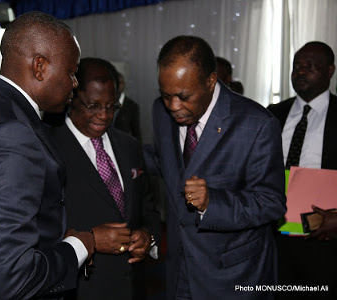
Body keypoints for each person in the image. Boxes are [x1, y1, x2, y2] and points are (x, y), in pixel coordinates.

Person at [0, 11, 95, 299]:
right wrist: (77, 246)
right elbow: (9, 279)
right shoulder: (12, 135)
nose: (75, 83)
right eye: (71, 72)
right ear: (39, 66)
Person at [145, 35, 286, 299]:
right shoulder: (160, 111)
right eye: (166, 96)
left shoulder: (256, 124)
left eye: (183, 96)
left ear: (210, 81)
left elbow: (271, 203)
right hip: (178, 269)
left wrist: (213, 203)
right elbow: (166, 161)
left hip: (233, 275)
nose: (173, 107)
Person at [50, 57, 160, 300]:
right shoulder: (49, 150)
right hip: (82, 288)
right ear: (71, 98)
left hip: (134, 286)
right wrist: (90, 240)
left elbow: (147, 206)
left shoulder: (129, 145)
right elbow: (39, 230)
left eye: (111, 106)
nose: (104, 115)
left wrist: (148, 237)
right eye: (93, 105)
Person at [267, 41, 337, 299]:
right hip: (273, 234)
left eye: (310, 66)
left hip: (324, 238)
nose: (300, 72)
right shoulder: (273, 114)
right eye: (297, 66)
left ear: (330, 71)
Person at [112, 72, 142, 141]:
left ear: (124, 84)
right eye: (116, 82)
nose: (118, 85)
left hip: (123, 145)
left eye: (121, 82)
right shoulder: (106, 102)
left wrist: (138, 150)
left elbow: (136, 132)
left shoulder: (132, 106)